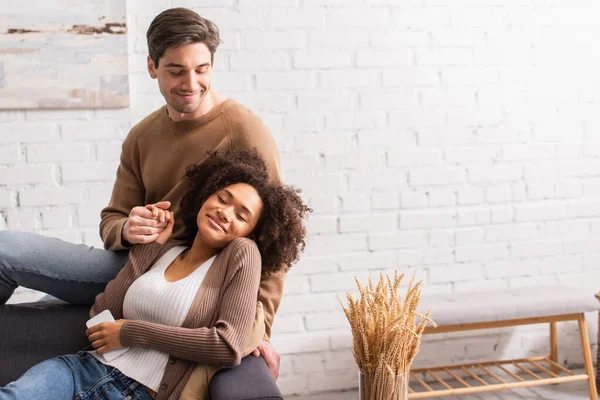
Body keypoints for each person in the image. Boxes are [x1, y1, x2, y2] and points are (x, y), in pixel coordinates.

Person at [0, 7, 286, 386]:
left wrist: (260, 326)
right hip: (136, 264)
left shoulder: (245, 131)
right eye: (176, 70)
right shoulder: (142, 135)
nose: (191, 83)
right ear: (152, 66)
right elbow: (112, 220)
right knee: (11, 261)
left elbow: (274, 234)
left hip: (195, 276)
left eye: (202, 69)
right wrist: (127, 228)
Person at [0, 150, 311, 400]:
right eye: (222, 198)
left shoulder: (241, 255)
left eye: (241, 215)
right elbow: (100, 314)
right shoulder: (167, 250)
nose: (224, 212)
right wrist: (149, 247)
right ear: (206, 196)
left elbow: (226, 346)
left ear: (253, 234)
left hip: (135, 392)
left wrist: (132, 332)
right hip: (80, 368)